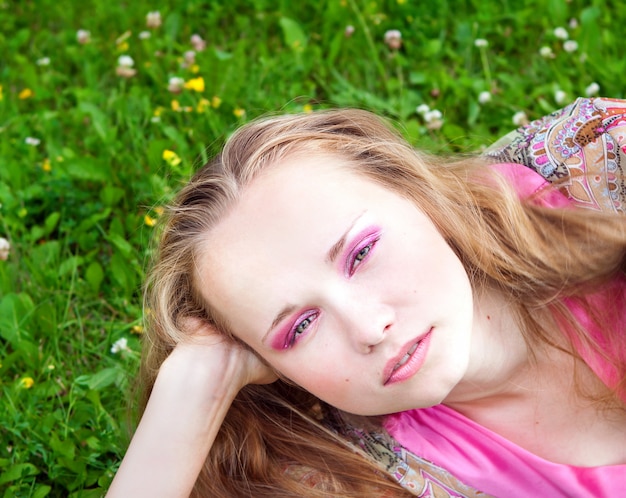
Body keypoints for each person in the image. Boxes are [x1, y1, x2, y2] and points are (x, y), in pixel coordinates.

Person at [107, 97, 626, 497]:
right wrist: (191, 390)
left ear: (414, 191)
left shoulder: (595, 171)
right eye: (300, 328)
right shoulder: (348, 470)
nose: (367, 326)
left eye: (360, 254)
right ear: (272, 368)